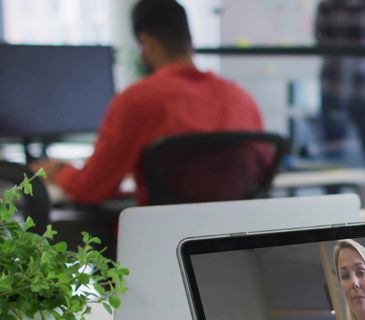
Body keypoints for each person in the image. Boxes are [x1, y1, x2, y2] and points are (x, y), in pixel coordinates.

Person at [34, 0, 264, 206]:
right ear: (189, 42)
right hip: (231, 243)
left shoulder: (139, 99)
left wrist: (59, 171)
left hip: (159, 240)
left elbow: (91, 188)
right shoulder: (240, 97)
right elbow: (260, 171)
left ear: (147, 43)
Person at [314, 0, 365, 166]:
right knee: (332, 152)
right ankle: (332, 191)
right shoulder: (328, 6)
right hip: (335, 87)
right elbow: (321, 42)